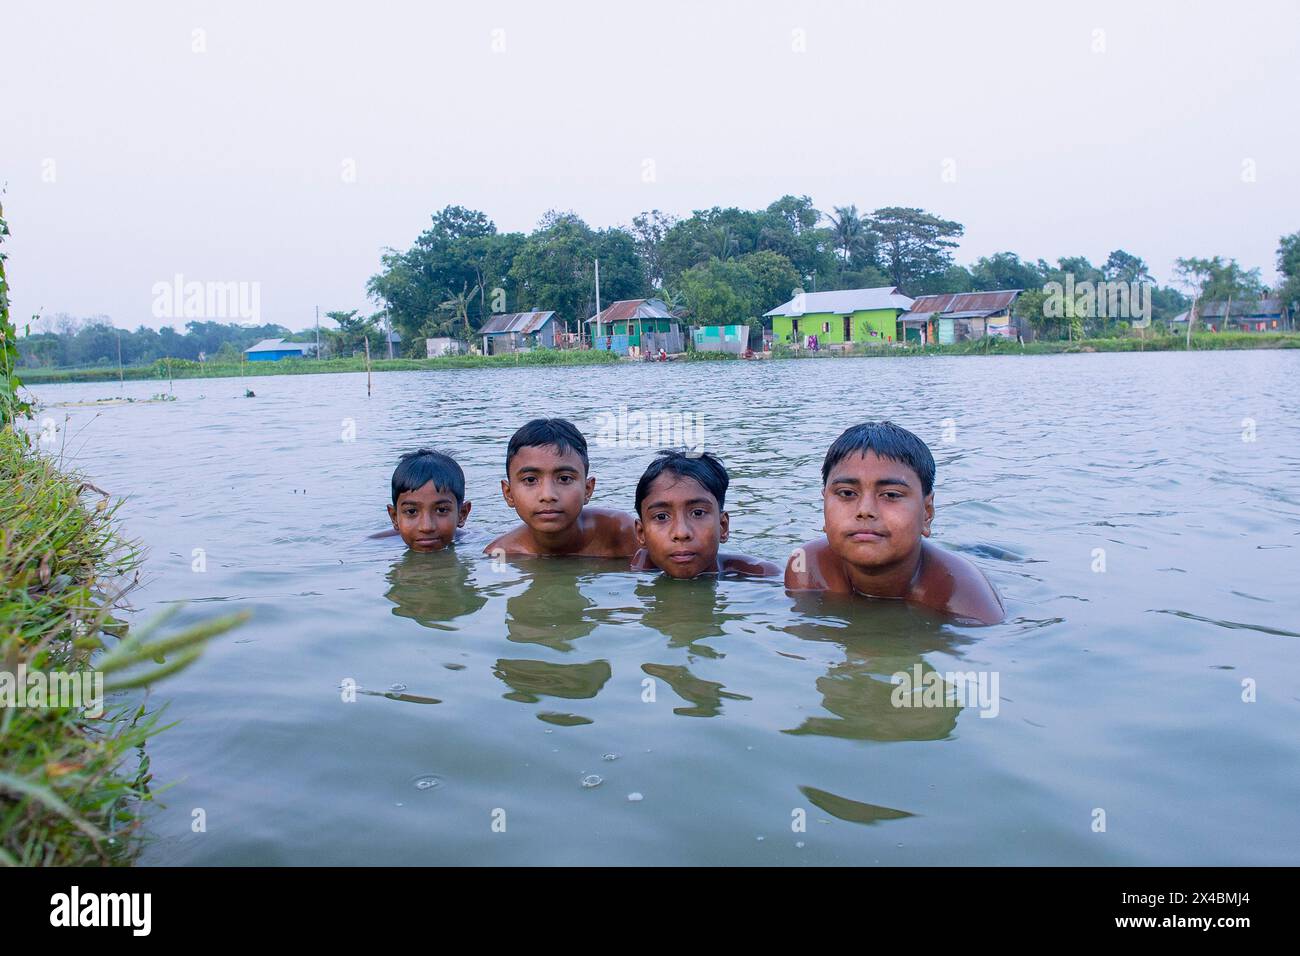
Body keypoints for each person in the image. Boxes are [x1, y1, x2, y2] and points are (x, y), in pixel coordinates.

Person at [784, 421, 1004, 624]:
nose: (865, 510)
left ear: (927, 513)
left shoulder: (963, 597)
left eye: (890, 495)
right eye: (847, 493)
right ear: (824, 507)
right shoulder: (808, 568)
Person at [484, 418, 638, 558]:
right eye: (530, 480)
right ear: (509, 494)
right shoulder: (501, 554)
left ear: (587, 489)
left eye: (564, 479)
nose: (548, 495)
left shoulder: (621, 532)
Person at [630, 450, 780, 579]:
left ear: (723, 527)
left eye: (698, 513)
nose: (681, 533)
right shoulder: (642, 568)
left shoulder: (761, 576)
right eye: (661, 517)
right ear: (641, 533)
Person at [382, 448, 471, 552]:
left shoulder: (480, 545)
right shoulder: (370, 546)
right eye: (411, 511)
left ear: (462, 514)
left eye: (441, 510)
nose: (426, 527)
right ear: (394, 517)